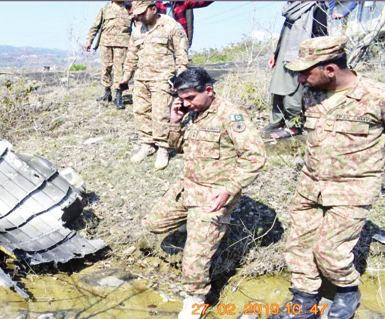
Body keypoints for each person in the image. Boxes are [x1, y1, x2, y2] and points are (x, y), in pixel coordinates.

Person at [268, 36, 383, 319]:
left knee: (329, 250)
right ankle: (305, 298)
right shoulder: (312, 94)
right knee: (298, 245)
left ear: (329, 70)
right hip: (311, 184)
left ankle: (346, 290)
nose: (301, 79)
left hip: (352, 187)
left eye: (306, 72)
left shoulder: (375, 96)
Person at [141, 67, 266, 318]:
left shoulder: (231, 116)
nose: (185, 103)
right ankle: (195, 229)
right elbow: (178, 148)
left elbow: (255, 157)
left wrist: (229, 190)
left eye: (190, 98)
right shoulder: (192, 113)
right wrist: (175, 122)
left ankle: (195, 298)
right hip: (188, 187)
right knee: (153, 224)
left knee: (194, 257)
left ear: (208, 91)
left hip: (213, 195)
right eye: (181, 98)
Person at [118, 1, 188, 170]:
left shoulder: (171, 26)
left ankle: (163, 148)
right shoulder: (137, 30)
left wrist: (180, 78)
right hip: (142, 78)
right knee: (140, 111)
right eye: (137, 14)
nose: (139, 17)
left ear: (153, 9)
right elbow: (132, 56)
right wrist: (126, 77)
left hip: (162, 78)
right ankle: (147, 144)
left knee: (160, 114)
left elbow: (181, 54)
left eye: (142, 13)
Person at [262, 1, 328, 140]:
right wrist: (276, 53)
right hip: (284, 53)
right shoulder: (291, 9)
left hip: (300, 55)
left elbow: (320, 35)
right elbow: (284, 32)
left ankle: (293, 126)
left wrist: (311, 59)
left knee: (293, 90)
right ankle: (276, 122)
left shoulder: (316, 6)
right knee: (278, 86)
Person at [85, 1, 132, 109]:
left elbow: (139, 23)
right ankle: (107, 93)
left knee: (119, 69)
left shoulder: (129, 8)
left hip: (122, 44)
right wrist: (89, 41)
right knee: (106, 68)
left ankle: (119, 95)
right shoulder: (105, 9)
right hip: (106, 43)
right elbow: (95, 26)